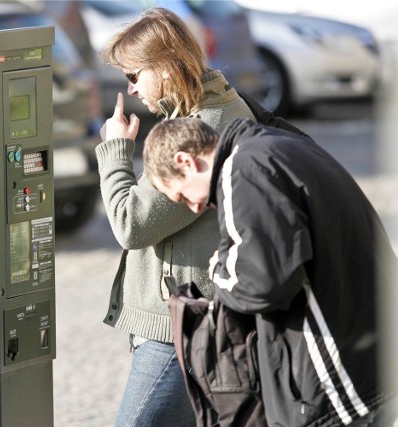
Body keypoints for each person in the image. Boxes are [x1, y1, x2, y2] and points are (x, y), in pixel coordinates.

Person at [142, 116, 398, 426]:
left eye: (181, 195)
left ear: (186, 162)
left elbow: (264, 283)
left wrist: (220, 270)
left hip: (336, 380)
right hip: (373, 358)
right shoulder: (279, 147)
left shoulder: (244, 171)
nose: (193, 207)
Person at [95, 6, 256, 426]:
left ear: (164, 68)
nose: (130, 89)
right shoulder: (214, 107)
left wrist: (115, 151)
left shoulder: (203, 129)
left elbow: (131, 224)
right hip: (192, 320)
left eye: (133, 75)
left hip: (181, 329)